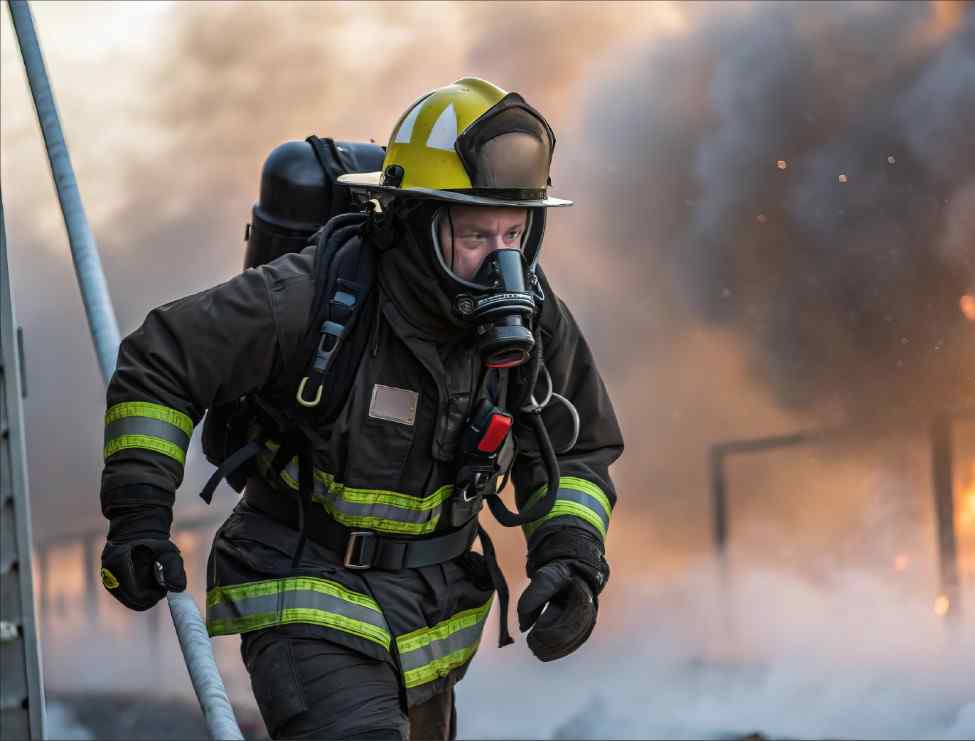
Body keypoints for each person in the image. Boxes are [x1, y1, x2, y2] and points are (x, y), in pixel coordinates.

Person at [97, 78, 623, 740]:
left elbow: (577, 445)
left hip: (434, 618)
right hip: (302, 591)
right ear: (414, 219)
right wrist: (139, 514)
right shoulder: (311, 296)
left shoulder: (533, 319)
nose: (502, 263)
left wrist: (571, 552)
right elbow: (162, 357)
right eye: (475, 233)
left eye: (515, 232)